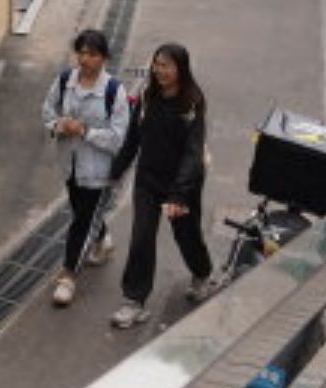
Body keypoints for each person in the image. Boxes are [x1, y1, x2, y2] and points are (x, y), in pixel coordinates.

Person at [110, 43, 216, 329]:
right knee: (141, 237)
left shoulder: (192, 103)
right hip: (148, 180)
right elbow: (133, 138)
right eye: (157, 64)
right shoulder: (147, 96)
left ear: (180, 68)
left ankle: (201, 272)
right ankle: (134, 300)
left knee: (186, 234)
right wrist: (116, 170)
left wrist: (179, 194)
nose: (159, 70)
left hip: (182, 185)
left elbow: (193, 153)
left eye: (166, 65)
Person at [40, 29, 131, 308]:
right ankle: (103, 241)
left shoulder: (114, 91)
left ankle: (68, 276)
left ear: (104, 58)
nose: (84, 59)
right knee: (84, 212)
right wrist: (59, 125)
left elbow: (118, 137)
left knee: (81, 221)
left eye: (91, 54)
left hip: (98, 171)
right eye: (81, 52)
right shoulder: (65, 80)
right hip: (70, 165)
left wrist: (85, 131)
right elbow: (47, 111)